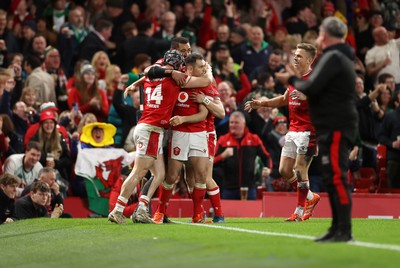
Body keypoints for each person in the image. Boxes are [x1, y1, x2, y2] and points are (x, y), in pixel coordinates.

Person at [275, 17, 358, 242]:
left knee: (337, 178)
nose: (318, 36)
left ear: (326, 35)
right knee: (333, 178)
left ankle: (344, 229)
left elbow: (312, 88)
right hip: (334, 125)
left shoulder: (334, 57)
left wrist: (290, 78)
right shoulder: (341, 57)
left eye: (320, 32)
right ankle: (337, 227)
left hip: (337, 125)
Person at [107, 50, 186, 224]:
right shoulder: (174, 78)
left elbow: (149, 73)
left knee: (159, 174)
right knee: (139, 171)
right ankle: (118, 210)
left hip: (148, 127)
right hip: (151, 129)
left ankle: (141, 209)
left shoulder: (152, 75)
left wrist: (134, 84)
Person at [245, 42, 321, 222]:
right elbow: (283, 99)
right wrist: (260, 103)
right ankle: (310, 197)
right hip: (293, 129)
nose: (295, 58)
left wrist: (308, 97)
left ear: (309, 60)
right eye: (294, 55)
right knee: (284, 170)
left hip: (309, 132)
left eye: (299, 56)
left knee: (300, 170)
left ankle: (300, 211)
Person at [213, 111, 272, 200]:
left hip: (249, 188)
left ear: (243, 124)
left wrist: (268, 169)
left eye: (236, 122)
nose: (233, 125)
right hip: (229, 189)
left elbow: (266, 157)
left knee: (250, 213)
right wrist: (223, 156)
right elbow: (212, 162)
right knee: (228, 213)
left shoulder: (254, 139)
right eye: (231, 122)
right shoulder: (223, 140)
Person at [378, 91, 400, 188]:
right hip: (395, 156)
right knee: (392, 167)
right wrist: (392, 144)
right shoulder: (390, 116)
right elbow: (381, 136)